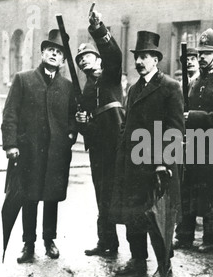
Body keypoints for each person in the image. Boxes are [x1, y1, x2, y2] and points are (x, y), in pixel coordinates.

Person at [109, 30, 184, 277]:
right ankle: (137, 260)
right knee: (133, 215)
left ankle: (164, 266)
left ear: (156, 59)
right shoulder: (133, 88)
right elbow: (127, 123)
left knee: (158, 218)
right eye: (137, 57)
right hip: (132, 164)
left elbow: (175, 130)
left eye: (145, 57)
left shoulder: (170, 87)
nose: (139, 62)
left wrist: (163, 162)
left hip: (157, 167)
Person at [1, 29, 78, 263]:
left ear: (64, 60)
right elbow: (10, 113)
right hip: (29, 152)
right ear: (42, 53)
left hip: (56, 153)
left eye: (59, 52)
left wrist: (70, 135)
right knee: (29, 197)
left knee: (52, 197)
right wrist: (11, 145)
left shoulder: (67, 85)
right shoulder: (24, 79)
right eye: (50, 50)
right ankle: (28, 244)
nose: (54, 54)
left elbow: (72, 116)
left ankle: (49, 240)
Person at [173, 28, 213, 253]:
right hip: (193, 145)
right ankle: (185, 236)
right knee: (187, 190)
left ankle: (210, 239)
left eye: (207, 53)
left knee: (211, 194)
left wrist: (196, 117)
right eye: (200, 53)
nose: (201, 57)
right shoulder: (194, 83)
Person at [75, 9, 125, 258]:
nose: (84, 60)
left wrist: (98, 28)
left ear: (98, 59)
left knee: (121, 194)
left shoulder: (110, 76)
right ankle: (107, 241)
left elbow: (114, 55)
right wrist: (82, 121)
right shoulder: (85, 88)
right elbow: (85, 123)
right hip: (98, 148)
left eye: (88, 56)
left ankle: (138, 251)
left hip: (117, 144)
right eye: (80, 59)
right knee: (101, 193)